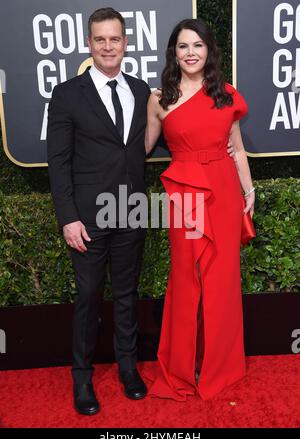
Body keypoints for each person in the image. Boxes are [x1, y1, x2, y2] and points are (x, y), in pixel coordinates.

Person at [145, 18, 255, 401]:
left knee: (222, 279)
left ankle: (219, 365)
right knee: (186, 280)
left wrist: (249, 190)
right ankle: (181, 366)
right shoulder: (160, 98)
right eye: (182, 46)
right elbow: (141, 148)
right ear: (173, 53)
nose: (190, 53)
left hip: (224, 190)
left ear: (209, 50)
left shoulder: (225, 94)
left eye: (197, 45)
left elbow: (237, 149)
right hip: (185, 194)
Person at [47, 7, 150, 415]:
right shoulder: (68, 93)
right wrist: (68, 217)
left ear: (126, 43)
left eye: (115, 39)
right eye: (99, 39)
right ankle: (82, 377)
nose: (108, 46)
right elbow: (58, 160)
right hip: (87, 218)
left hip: (132, 210)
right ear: (89, 44)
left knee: (126, 294)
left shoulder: (142, 91)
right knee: (89, 296)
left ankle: (128, 368)